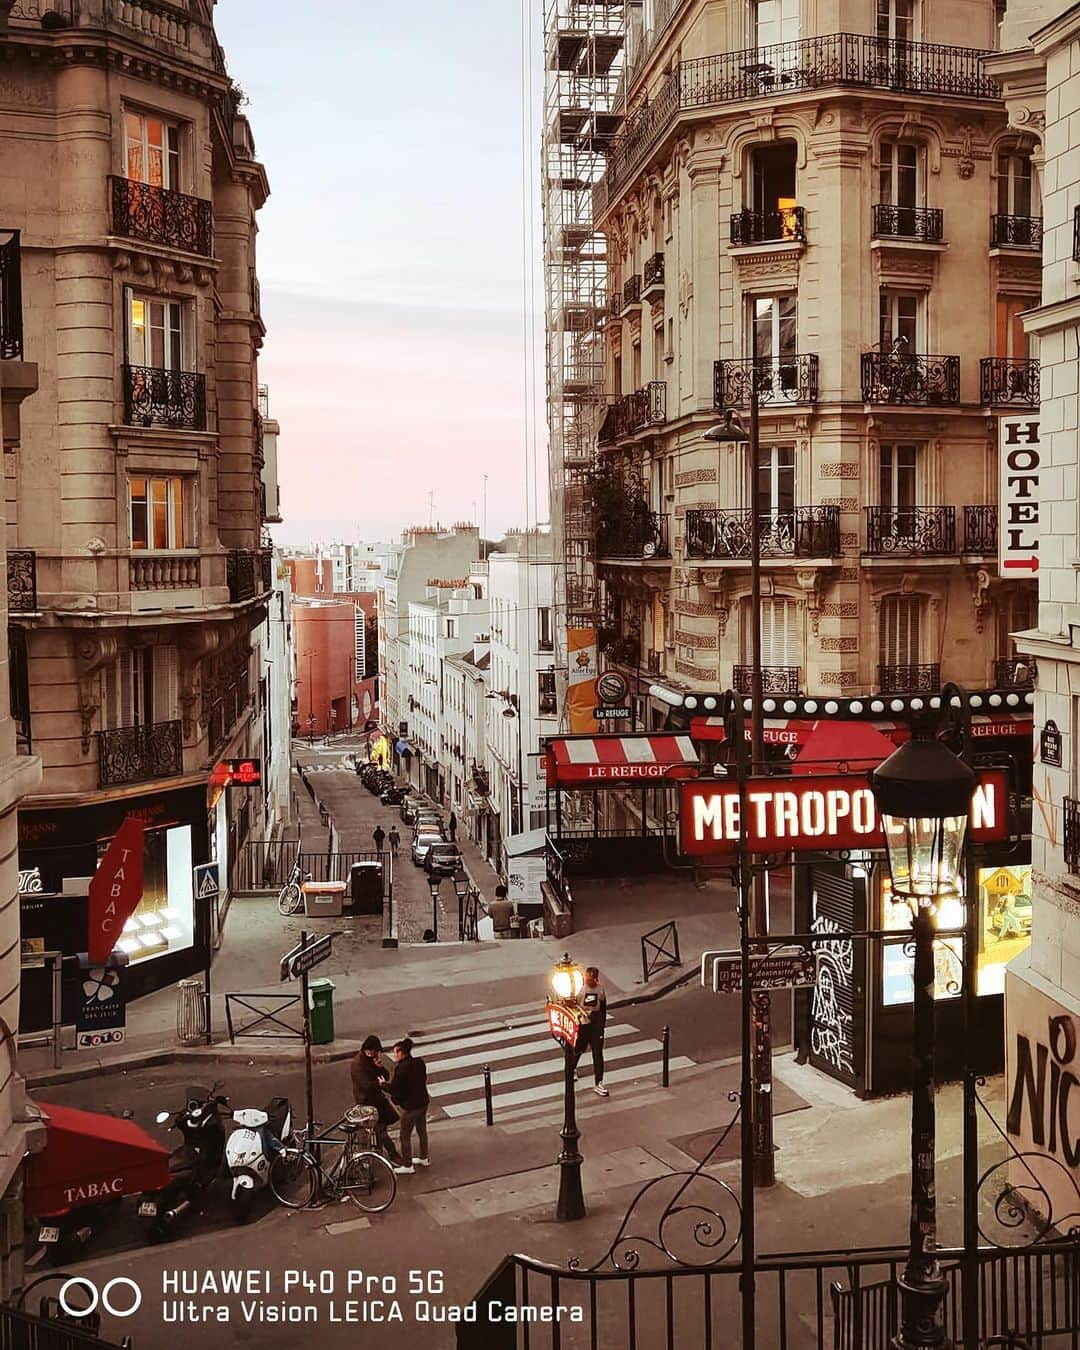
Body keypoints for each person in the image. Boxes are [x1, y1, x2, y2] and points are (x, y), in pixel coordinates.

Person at [349, 1035, 402, 1162]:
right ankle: (392, 1154)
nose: (378, 1054)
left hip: (377, 1100)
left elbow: (386, 1076)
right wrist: (379, 1084)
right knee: (380, 1130)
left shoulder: (373, 1059)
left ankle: (378, 1152)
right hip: (367, 1102)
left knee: (381, 1128)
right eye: (376, 1051)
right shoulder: (357, 1065)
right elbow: (365, 1085)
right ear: (369, 1050)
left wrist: (379, 1067)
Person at [388, 1038, 430, 1175]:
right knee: (421, 1131)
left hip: (411, 1107)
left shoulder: (401, 1068)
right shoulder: (419, 1063)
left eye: (395, 1052)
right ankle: (424, 1157)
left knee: (404, 1135)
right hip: (423, 1102)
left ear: (401, 1053)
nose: (394, 1055)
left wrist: (382, 1084)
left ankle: (407, 1164)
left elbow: (394, 1088)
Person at [575, 966, 609, 1097]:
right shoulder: (581, 989)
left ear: (595, 978)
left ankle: (598, 1082)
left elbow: (603, 1007)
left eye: (590, 978)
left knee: (597, 1054)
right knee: (579, 1049)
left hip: (595, 1024)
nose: (588, 981)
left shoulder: (600, 990)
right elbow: (575, 1005)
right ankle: (572, 1068)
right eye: (586, 978)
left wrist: (601, 1025)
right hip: (583, 1024)